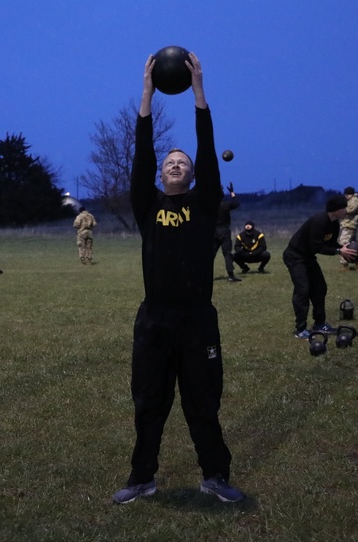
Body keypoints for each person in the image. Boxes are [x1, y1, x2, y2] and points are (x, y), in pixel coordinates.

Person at [112, 52, 245, 505]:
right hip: (154, 320)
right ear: (159, 173)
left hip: (197, 320)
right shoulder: (147, 207)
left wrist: (199, 92)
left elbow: (207, 150)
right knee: (149, 403)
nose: (175, 163)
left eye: (181, 161)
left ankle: (215, 475)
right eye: (169, 161)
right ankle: (141, 478)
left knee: (202, 403)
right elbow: (141, 149)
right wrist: (147, 95)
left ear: (190, 175)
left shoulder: (205, 204)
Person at [281, 196, 357, 339]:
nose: (346, 211)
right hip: (295, 256)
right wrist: (339, 252)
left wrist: (343, 248)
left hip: (308, 257)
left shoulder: (334, 223)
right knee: (303, 290)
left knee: (320, 288)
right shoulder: (319, 221)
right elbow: (316, 246)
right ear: (335, 210)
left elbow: (331, 243)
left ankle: (320, 324)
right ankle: (301, 330)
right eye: (343, 209)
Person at [213, 183, 241, 282]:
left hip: (213, 231)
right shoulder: (225, 205)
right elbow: (236, 203)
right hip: (224, 231)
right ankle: (231, 276)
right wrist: (232, 192)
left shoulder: (210, 206)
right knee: (227, 253)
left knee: (210, 255)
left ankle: (205, 275)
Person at [338, 186, 358, 270]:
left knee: (343, 243)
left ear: (350, 194)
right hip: (349, 225)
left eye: (346, 194)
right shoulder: (350, 200)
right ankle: (357, 262)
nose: (345, 196)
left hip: (349, 225)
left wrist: (340, 210)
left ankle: (344, 265)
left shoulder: (354, 200)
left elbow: (351, 210)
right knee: (354, 245)